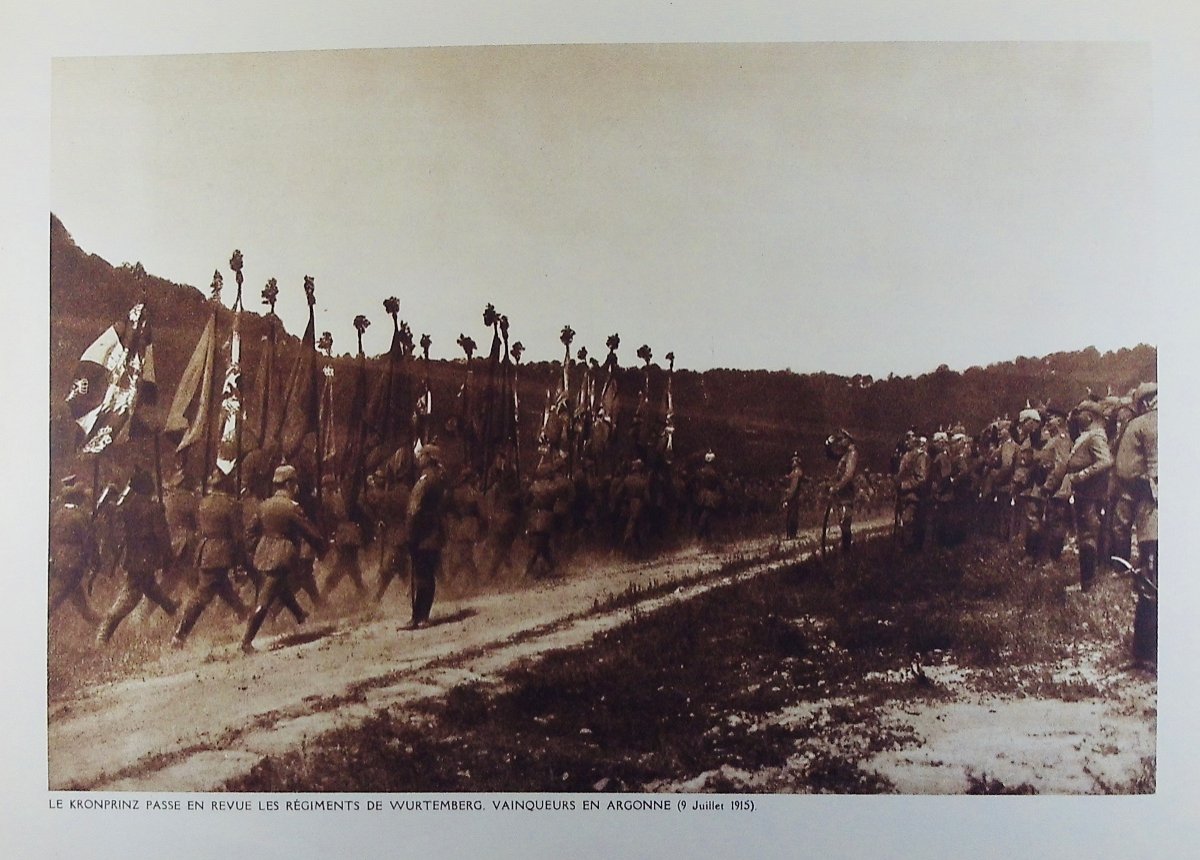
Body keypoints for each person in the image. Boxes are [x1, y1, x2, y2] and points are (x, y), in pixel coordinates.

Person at [240, 465, 326, 653]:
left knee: (281, 588)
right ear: (288, 484)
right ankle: (246, 641)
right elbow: (309, 531)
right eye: (294, 483)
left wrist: (255, 548)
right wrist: (322, 548)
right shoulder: (291, 507)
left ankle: (300, 616)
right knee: (265, 599)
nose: (296, 487)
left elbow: (249, 532)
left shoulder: (263, 506)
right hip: (283, 555)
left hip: (264, 554)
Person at [96, 467, 179, 645]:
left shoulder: (126, 508)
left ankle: (172, 609)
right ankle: (103, 634)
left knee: (150, 587)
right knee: (129, 598)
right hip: (146, 559)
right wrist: (168, 558)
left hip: (133, 557)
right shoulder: (154, 508)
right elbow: (162, 536)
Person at [171, 469, 250, 646]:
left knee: (225, 589)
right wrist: (241, 561)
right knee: (201, 596)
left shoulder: (203, 503)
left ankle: (245, 614)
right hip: (221, 552)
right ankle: (179, 635)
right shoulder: (232, 505)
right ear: (225, 484)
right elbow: (238, 537)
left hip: (206, 551)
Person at [1110, 383, 1157, 665]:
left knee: (1151, 583)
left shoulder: (1140, 425)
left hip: (1154, 514)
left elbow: (1125, 468)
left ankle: (1145, 654)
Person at [1045, 400, 1113, 591]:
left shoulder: (1096, 437)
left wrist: (1080, 476)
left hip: (1090, 493)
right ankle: (1087, 581)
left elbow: (1106, 461)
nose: (1077, 416)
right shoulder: (1089, 435)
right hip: (1085, 493)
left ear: (1090, 416)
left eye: (1081, 413)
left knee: (1087, 536)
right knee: (1085, 535)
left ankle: (1087, 583)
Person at [406, 444, 448, 628]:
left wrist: (410, 533)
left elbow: (414, 509)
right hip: (433, 531)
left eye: (422, 455)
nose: (418, 458)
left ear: (428, 457)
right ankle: (419, 615)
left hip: (423, 533)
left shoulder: (425, 479)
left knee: (423, 575)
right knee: (426, 575)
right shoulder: (438, 478)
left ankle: (420, 616)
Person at [49, 475, 101, 623]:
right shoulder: (80, 516)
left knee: (81, 604)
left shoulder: (58, 514)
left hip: (58, 562)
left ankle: (104, 628)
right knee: (54, 601)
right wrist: (96, 562)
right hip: (73, 565)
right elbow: (89, 541)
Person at [825, 429, 859, 553]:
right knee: (843, 523)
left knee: (845, 524)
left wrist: (837, 487)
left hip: (847, 493)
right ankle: (845, 552)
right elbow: (831, 455)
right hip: (843, 492)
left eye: (842, 439)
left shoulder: (852, 454)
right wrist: (828, 443)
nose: (840, 442)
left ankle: (846, 553)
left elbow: (848, 475)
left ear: (848, 439)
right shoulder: (846, 453)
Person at [782, 454, 804, 540]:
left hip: (794, 496)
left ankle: (791, 534)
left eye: (794, 461)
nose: (792, 463)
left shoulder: (796, 472)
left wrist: (788, 496)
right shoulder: (795, 472)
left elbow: (793, 487)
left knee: (792, 515)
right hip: (794, 496)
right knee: (792, 514)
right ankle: (791, 534)